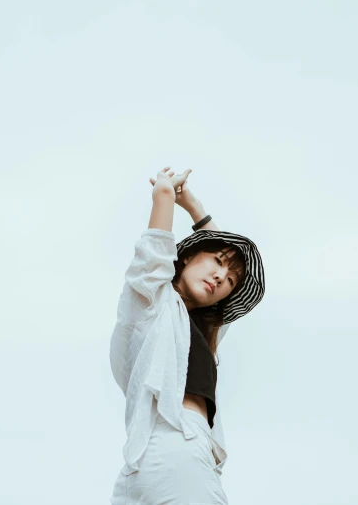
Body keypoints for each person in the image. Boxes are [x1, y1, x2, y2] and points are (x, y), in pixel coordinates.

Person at [109, 166, 266, 504]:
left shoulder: (204, 332)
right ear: (188, 255)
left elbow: (222, 264)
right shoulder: (152, 304)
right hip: (174, 447)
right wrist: (165, 193)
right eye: (217, 260)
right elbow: (154, 252)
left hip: (162, 460)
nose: (222, 276)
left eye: (231, 281)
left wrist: (194, 206)